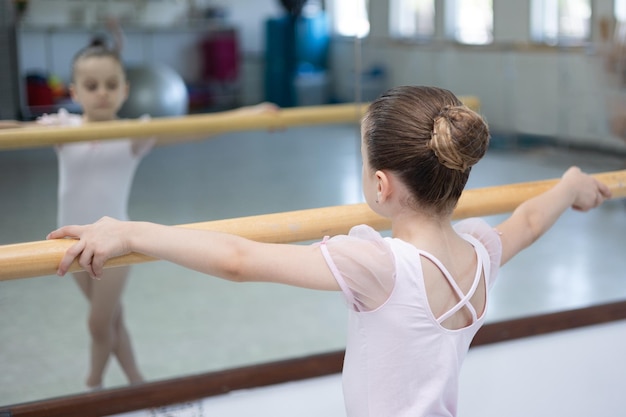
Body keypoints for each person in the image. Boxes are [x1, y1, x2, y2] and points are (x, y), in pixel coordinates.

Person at [47, 85, 611, 415]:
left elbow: (238, 261)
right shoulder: (480, 254)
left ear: (381, 186)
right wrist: (570, 185)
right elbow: (530, 221)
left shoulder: (379, 265)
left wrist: (132, 231)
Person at [2, 38, 277, 391]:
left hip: (116, 244)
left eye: (111, 85)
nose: (102, 93)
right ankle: (137, 384)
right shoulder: (63, 126)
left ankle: (93, 387)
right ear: (74, 91)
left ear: (125, 89)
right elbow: (15, 130)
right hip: (70, 241)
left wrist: (250, 113)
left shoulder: (133, 132)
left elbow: (196, 129)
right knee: (113, 320)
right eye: (91, 86)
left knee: (99, 325)